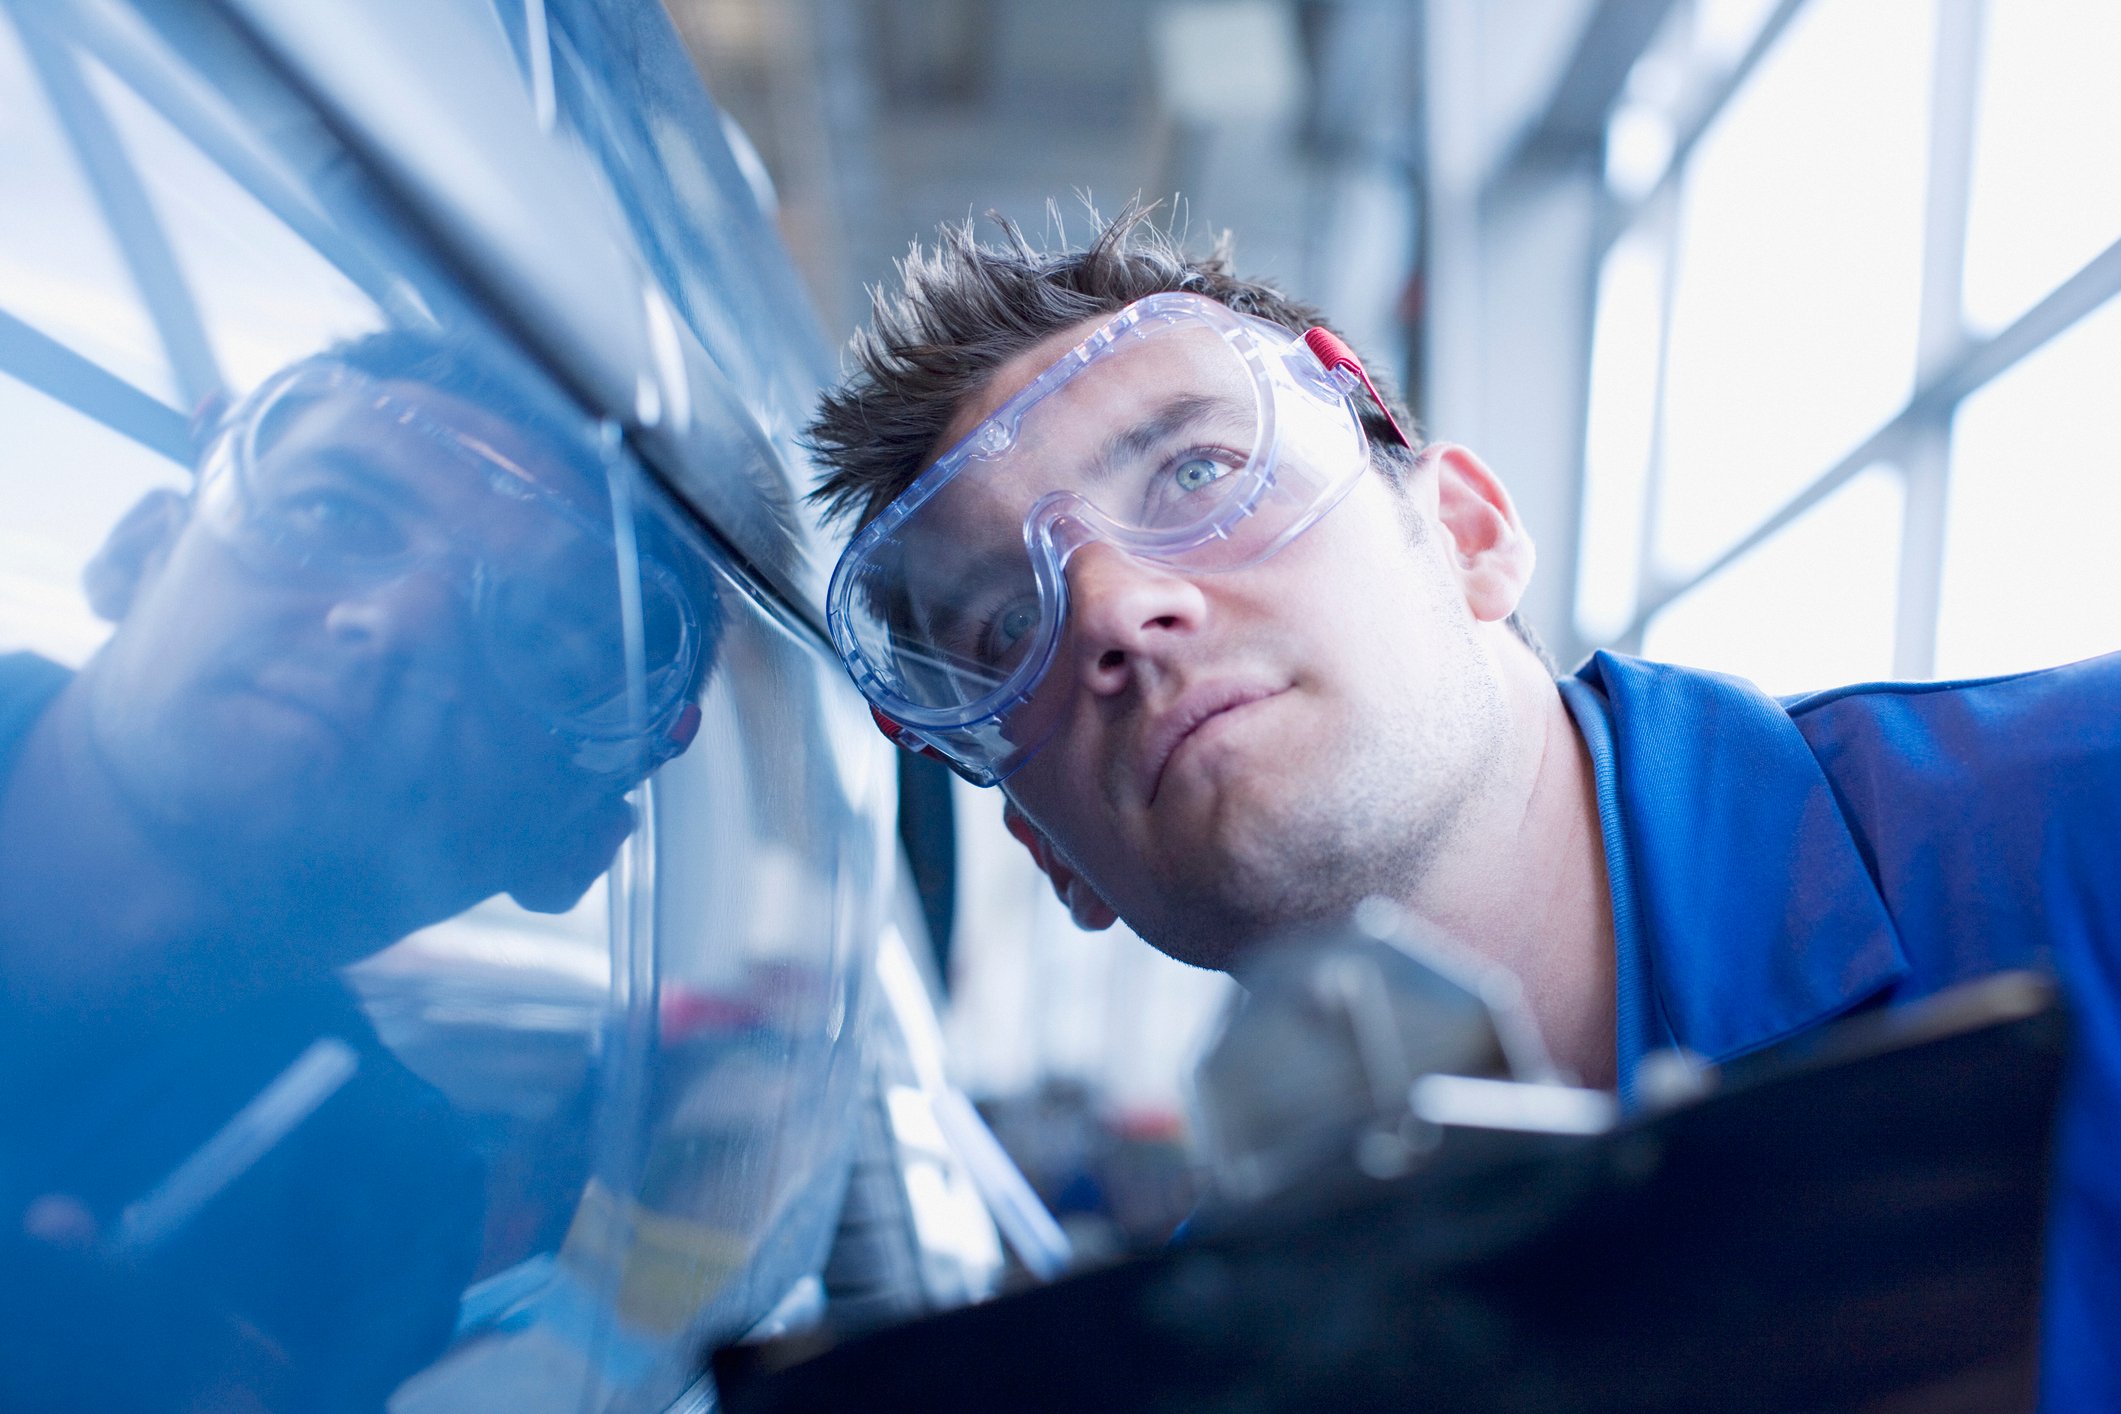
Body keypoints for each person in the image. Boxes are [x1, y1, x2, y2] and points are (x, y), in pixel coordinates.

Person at [804, 208, 2121, 1407]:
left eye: (1196, 472)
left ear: (1470, 532)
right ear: (1049, 853)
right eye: (1001, 623)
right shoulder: (1229, 1359)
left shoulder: (2083, 822)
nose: (1106, 609)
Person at [0, 330, 714, 1411]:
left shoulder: (376, 1194)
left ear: (571, 847)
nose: (399, 622)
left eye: (550, 642)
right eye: (337, 513)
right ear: (141, 550)